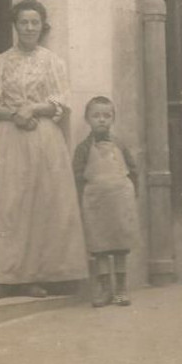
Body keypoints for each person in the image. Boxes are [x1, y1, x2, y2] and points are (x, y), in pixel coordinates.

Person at [0, 0, 87, 301]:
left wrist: (32, 110)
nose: (29, 28)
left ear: (42, 27)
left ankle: (33, 277)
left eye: (35, 22)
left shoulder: (52, 63)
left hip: (43, 138)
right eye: (23, 22)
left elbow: (61, 101)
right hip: (9, 137)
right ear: (15, 26)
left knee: (39, 204)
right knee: (5, 206)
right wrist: (14, 114)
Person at [72, 96, 139, 307]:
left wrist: (132, 193)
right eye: (96, 116)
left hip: (119, 201)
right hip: (95, 203)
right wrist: (81, 199)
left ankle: (120, 288)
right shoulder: (83, 148)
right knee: (100, 246)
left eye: (106, 116)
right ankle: (104, 288)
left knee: (119, 246)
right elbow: (77, 175)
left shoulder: (120, 144)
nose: (101, 120)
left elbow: (133, 169)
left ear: (113, 118)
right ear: (87, 119)